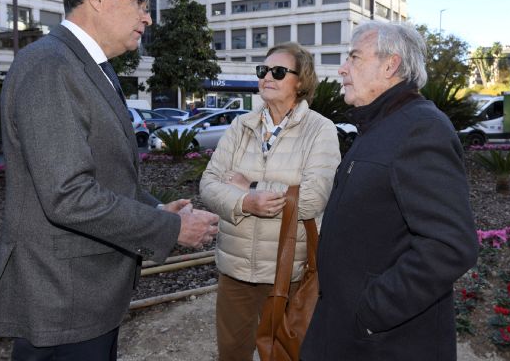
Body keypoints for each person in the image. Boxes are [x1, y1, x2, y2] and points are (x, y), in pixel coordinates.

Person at [0, 0, 219, 360]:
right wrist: (169, 229)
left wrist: (159, 211)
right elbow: (68, 196)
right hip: (64, 299)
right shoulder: (50, 66)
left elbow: (103, 175)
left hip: (85, 294)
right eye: (140, 1)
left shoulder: (85, 66)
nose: (148, 17)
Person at [300, 22, 479, 360]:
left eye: (354, 57)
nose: (342, 68)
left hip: (385, 343)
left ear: (390, 65)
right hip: (345, 331)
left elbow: (451, 244)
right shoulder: (380, 125)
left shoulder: (421, 128)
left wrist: (372, 310)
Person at [200, 42, 340, 361]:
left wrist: (249, 185)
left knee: (286, 355)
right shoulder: (241, 126)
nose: (267, 77)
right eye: (263, 71)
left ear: (301, 81)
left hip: (288, 272)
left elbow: (313, 198)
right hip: (235, 270)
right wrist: (248, 203)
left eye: (278, 71)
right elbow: (208, 185)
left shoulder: (320, 130)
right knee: (231, 355)